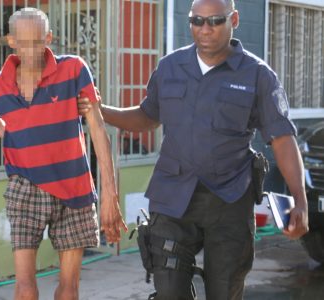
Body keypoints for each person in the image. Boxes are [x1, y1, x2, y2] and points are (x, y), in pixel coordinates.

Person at [78, 0, 309, 299]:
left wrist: (300, 200)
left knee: (224, 291)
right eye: (196, 21)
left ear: (234, 19)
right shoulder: (171, 66)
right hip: (173, 197)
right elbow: (148, 115)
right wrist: (100, 110)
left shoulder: (257, 75)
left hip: (229, 200)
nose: (205, 29)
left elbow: (282, 138)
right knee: (170, 291)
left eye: (215, 21)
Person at [0, 8, 127, 300]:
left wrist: (110, 194)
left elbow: (97, 127)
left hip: (75, 187)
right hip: (25, 188)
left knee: (69, 289)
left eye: (38, 42)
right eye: (24, 43)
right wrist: (8, 133)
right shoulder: (0, 85)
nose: (31, 50)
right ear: (11, 42)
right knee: (25, 288)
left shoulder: (73, 69)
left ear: (48, 38)